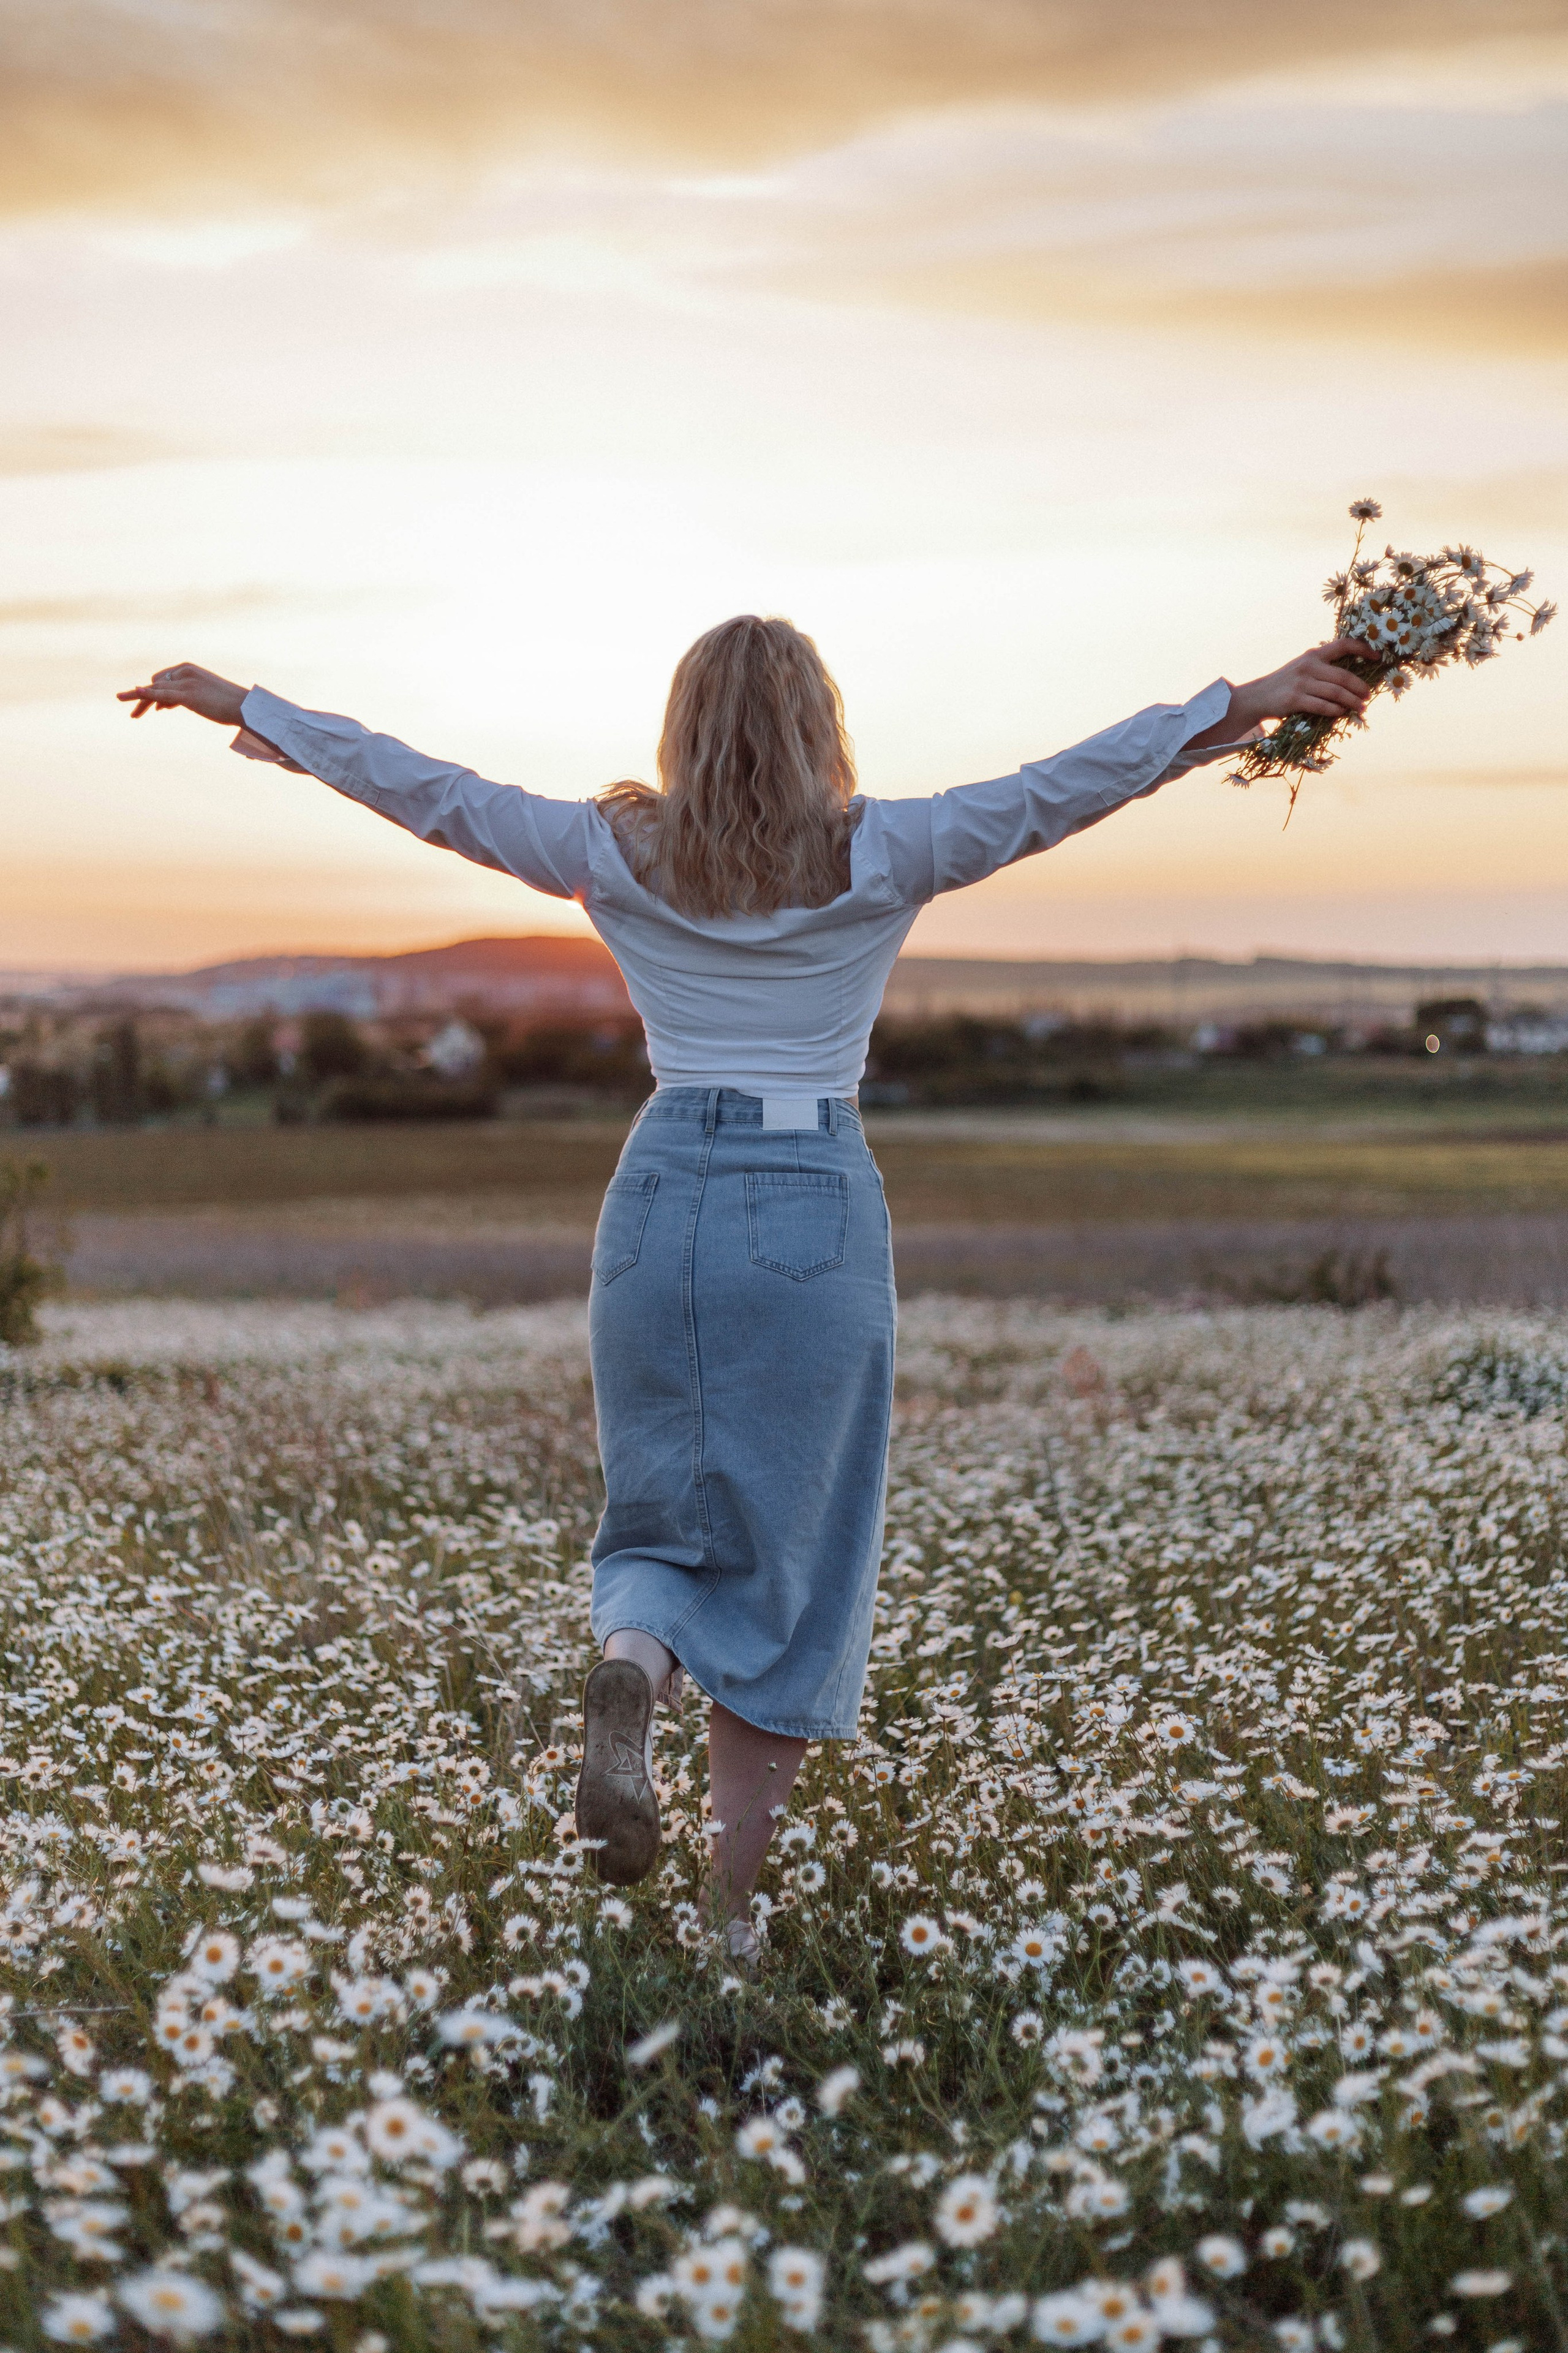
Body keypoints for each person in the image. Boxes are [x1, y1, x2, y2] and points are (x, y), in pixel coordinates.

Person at [119, 619, 1371, 1966]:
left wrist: (250, 706)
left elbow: (434, 794)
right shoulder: (884, 848)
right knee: (791, 1552)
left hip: (657, 1195)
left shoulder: (614, 851)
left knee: (657, 1505)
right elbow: (1064, 786)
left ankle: (633, 1668)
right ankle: (730, 1920)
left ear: (682, 729)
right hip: (808, 1200)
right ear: (818, 728)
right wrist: (1238, 702)